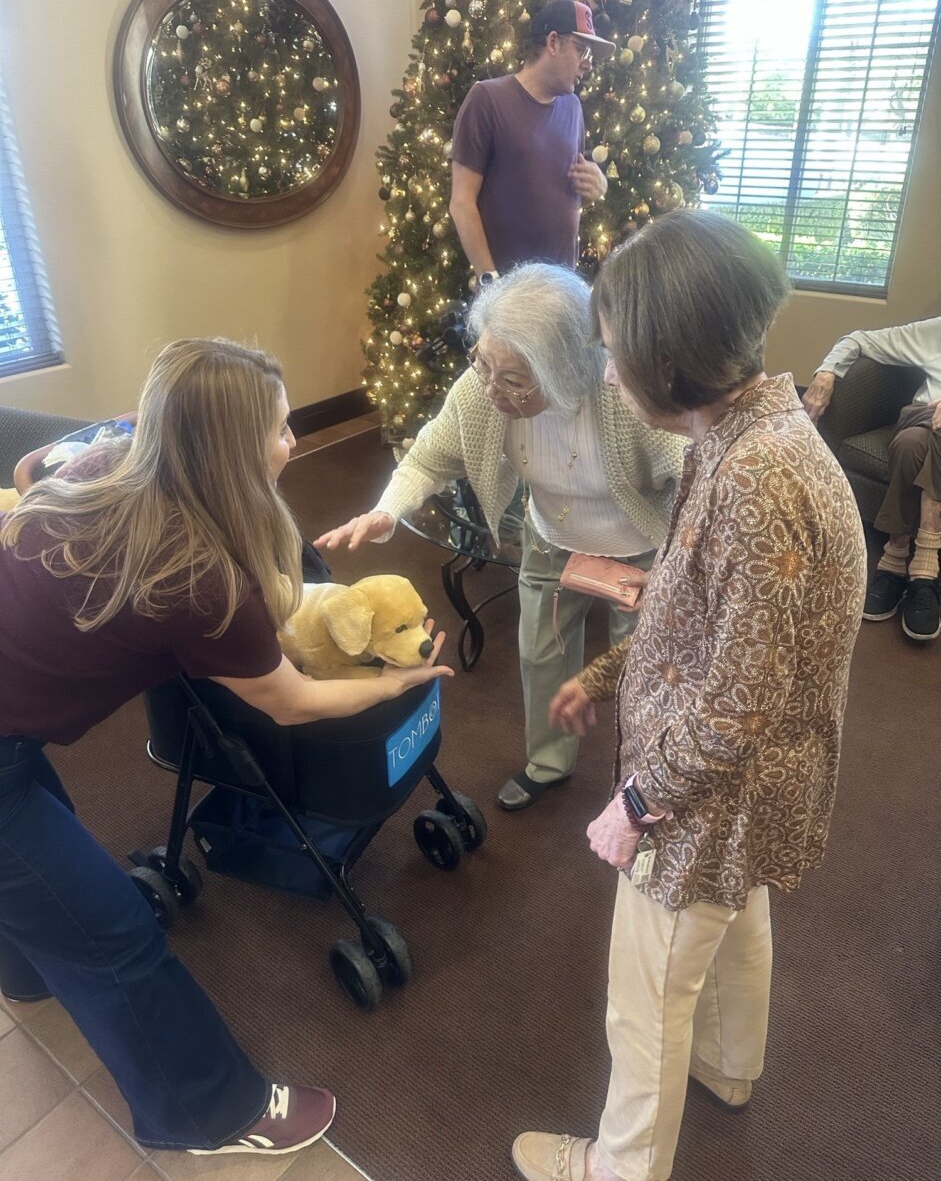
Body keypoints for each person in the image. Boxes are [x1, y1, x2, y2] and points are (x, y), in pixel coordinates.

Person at [0, 338, 450, 1157]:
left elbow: (31, 469)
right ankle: (208, 1114)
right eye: (278, 429)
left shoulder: (112, 455)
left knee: (37, 868)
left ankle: (26, 969)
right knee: (112, 937)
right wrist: (393, 685)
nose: (292, 442)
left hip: (11, 735)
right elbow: (292, 701)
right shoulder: (197, 579)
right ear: (228, 449)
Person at [511, 212, 867, 1181]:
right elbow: (702, 621)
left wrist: (635, 801)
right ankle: (728, 1065)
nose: (607, 375)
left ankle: (616, 1168)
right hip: (744, 789)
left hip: (708, 796)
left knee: (646, 993)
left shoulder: (754, 479)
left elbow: (737, 705)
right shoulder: (751, 433)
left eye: (616, 353)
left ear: (666, 364)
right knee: (735, 919)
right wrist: (604, 675)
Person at [316, 263, 684, 812]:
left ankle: (646, 779)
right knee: (541, 655)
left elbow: (692, 473)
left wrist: (679, 563)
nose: (490, 388)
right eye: (484, 363)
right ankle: (548, 763)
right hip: (551, 538)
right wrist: (387, 511)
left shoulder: (626, 395)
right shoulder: (482, 390)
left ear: (565, 369)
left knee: (649, 668)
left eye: (513, 380)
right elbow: (429, 456)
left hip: (640, 545)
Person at [449, 0, 613, 279]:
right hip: (508, 295)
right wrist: (493, 284)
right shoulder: (487, 99)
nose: (588, 65)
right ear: (553, 42)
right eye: (582, 51)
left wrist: (597, 187)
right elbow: (461, 203)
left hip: (561, 289)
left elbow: (562, 196)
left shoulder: (573, 107)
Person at [802, 316, 941, 642]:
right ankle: (924, 572)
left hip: (917, 440)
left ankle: (896, 559)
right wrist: (827, 372)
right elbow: (858, 339)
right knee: (918, 435)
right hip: (920, 417)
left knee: (910, 445)